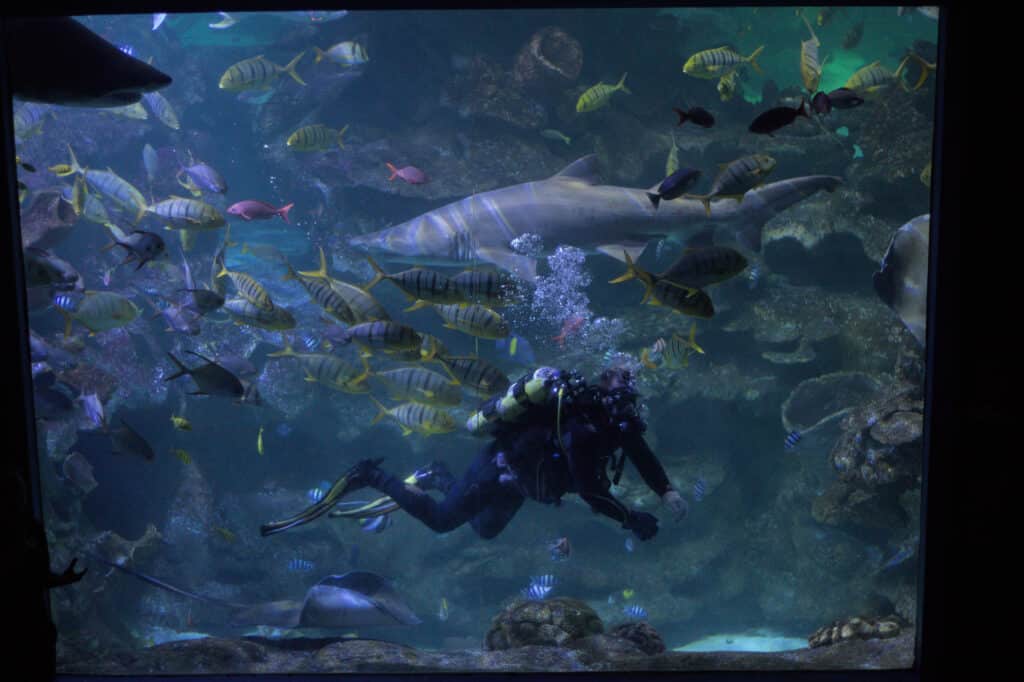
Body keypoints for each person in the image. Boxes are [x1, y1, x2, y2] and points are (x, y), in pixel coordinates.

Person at [342, 366, 688, 541]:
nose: (628, 411)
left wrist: (666, 490)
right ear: (605, 398)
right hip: (498, 468)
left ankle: (438, 476)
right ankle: (370, 474)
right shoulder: (582, 428)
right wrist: (630, 519)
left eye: (631, 403)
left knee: (485, 530)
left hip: (522, 484)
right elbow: (589, 490)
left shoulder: (617, 424)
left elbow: (641, 453)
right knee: (442, 521)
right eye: (622, 402)